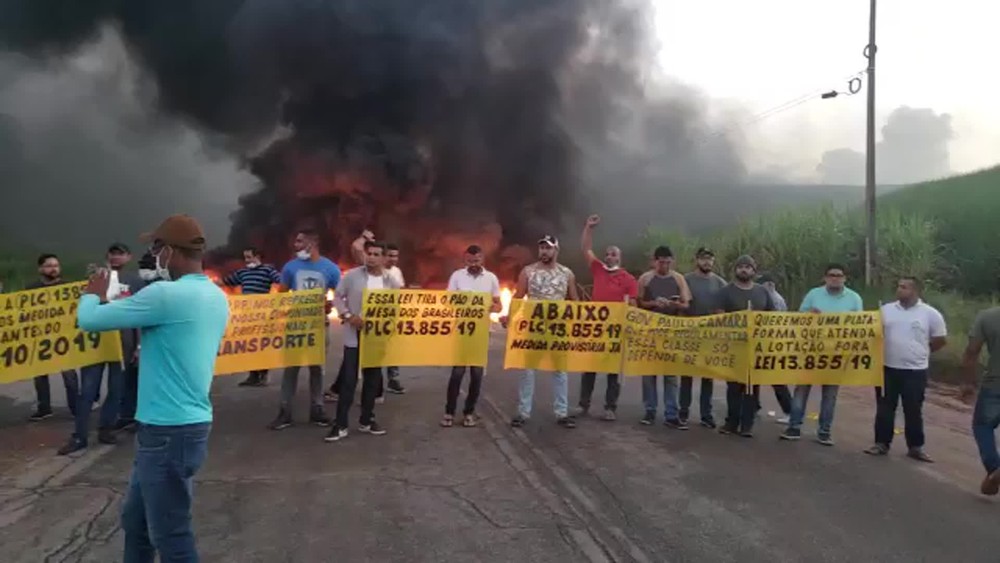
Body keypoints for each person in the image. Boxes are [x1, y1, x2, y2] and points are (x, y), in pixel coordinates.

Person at [77, 214, 229, 562]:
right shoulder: (215, 295)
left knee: (171, 535)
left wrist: (92, 294)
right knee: (137, 523)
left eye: (156, 248)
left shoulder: (165, 294)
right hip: (181, 428)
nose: (153, 255)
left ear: (171, 251)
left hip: (168, 432)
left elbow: (90, 319)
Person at [58, 243, 145, 455]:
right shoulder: (96, 278)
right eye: (112, 254)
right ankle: (79, 436)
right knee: (87, 391)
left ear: (129, 257)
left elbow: (141, 314)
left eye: (120, 254)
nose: (116, 257)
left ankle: (106, 429)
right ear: (107, 256)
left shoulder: (136, 281)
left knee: (117, 390)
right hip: (94, 344)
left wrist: (139, 345)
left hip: (123, 344)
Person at [864, 277, 947, 462]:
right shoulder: (886, 310)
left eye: (904, 287)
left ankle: (915, 447)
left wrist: (923, 351)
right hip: (887, 368)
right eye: (899, 286)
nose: (899, 290)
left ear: (915, 291)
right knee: (885, 407)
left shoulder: (930, 314)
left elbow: (940, 339)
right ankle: (881, 443)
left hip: (915, 370)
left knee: (913, 409)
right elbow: (873, 334)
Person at [326, 240, 401, 441]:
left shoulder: (391, 282)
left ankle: (367, 420)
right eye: (369, 253)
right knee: (349, 381)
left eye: (377, 254)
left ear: (384, 258)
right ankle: (340, 425)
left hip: (376, 338)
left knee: (372, 380)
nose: (372, 257)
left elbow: (396, 307)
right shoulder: (352, 276)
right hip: (354, 335)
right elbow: (338, 297)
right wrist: (348, 316)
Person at [780, 263, 864, 446]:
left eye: (839, 275)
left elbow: (860, 326)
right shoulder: (814, 294)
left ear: (845, 278)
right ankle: (794, 427)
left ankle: (824, 431)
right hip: (810, 351)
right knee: (801, 390)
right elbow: (800, 319)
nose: (835, 278)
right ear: (825, 278)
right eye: (831, 275)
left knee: (830, 395)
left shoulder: (854, 298)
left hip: (836, 354)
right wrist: (809, 315)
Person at [269, 228, 341, 430]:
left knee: (317, 368)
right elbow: (282, 295)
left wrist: (330, 304)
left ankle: (317, 409)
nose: (296, 245)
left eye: (300, 241)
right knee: (291, 368)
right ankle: (285, 411)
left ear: (313, 243)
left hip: (318, 325)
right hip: (295, 325)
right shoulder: (290, 267)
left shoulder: (330, 268)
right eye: (296, 241)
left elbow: (340, 294)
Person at [505, 235, 579, 429]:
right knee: (528, 370)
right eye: (542, 248)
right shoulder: (528, 272)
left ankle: (562, 412)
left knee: (560, 370)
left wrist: (579, 322)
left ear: (556, 250)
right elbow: (519, 297)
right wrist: (510, 317)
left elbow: (574, 300)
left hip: (558, 329)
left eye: (548, 248)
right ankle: (523, 412)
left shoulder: (566, 273)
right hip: (533, 328)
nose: (544, 251)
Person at [576, 215, 638, 422]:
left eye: (613, 254)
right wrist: (588, 228)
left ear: (619, 258)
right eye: (607, 254)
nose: (609, 257)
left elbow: (633, 305)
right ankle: (583, 405)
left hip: (615, 332)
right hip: (595, 330)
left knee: (613, 372)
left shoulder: (628, 279)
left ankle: (610, 407)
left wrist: (630, 325)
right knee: (589, 369)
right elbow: (586, 249)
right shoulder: (599, 270)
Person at [441, 245, 502, 427]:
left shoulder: (491, 278)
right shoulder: (457, 276)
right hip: (461, 332)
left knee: (477, 375)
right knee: (457, 374)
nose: (473, 264)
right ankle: (449, 412)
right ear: (464, 260)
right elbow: (448, 301)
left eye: (476, 261)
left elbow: (498, 304)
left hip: (481, 334)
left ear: (482, 260)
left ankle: (469, 412)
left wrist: (494, 307)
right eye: (470, 261)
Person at [715, 255, 774, 437]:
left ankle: (747, 425)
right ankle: (731, 423)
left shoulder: (762, 292)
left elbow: (772, 316)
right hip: (734, 346)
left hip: (755, 347)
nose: (744, 270)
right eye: (740, 266)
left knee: (752, 387)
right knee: (734, 387)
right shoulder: (726, 291)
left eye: (748, 267)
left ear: (753, 271)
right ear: (735, 270)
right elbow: (719, 316)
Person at [637, 245, 691, 428]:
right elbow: (639, 303)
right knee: (649, 374)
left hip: (671, 331)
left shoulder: (678, 278)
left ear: (672, 261)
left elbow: (686, 304)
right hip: (650, 331)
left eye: (668, 263)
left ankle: (671, 414)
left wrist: (674, 304)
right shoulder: (645, 278)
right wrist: (654, 303)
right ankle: (650, 411)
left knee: (671, 375)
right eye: (661, 263)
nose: (665, 266)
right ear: (655, 261)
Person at [25, 253, 81, 422]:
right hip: (40, 337)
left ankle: (75, 408)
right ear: (40, 269)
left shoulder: (68, 287)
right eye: (49, 266)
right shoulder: (31, 289)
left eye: (56, 265)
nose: (53, 269)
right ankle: (44, 408)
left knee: (69, 376)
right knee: (40, 375)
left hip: (63, 338)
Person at [220, 246, 281, 387]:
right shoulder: (242, 273)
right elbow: (226, 281)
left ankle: (263, 375)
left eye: (249, 257)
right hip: (247, 317)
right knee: (250, 346)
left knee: (262, 346)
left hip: (263, 316)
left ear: (257, 256)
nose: (246, 260)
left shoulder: (267, 270)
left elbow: (282, 281)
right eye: (245, 258)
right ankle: (253, 376)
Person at [679, 247, 726, 428]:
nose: (707, 262)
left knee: (708, 377)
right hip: (690, 335)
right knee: (686, 376)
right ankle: (683, 412)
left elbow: (725, 308)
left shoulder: (719, 283)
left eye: (710, 259)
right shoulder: (686, 279)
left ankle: (706, 415)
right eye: (704, 258)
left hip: (710, 336)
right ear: (697, 260)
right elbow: (681, 304)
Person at [962, 301, 1000, 495]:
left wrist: (968, 382)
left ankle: (994, 468)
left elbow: (972, 351)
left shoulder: (988, 316)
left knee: (982, 426)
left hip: (995, 383)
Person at [753, 272, 794, 424]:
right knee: (755, 377)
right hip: (765, 343)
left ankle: (789, 411)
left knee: (776, 379)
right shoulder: (775, 297)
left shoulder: (773, 299)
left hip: (771, 344)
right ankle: (754, 407)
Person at [380, 242, 406, 396]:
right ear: (383, 256)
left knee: (393, 348)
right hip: (377, 316)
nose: (393, 259)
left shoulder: (397, 271)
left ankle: (393, 379)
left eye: (396, 256)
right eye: (390, 256)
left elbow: (400, 291)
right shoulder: (376, 271)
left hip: (393, 315)